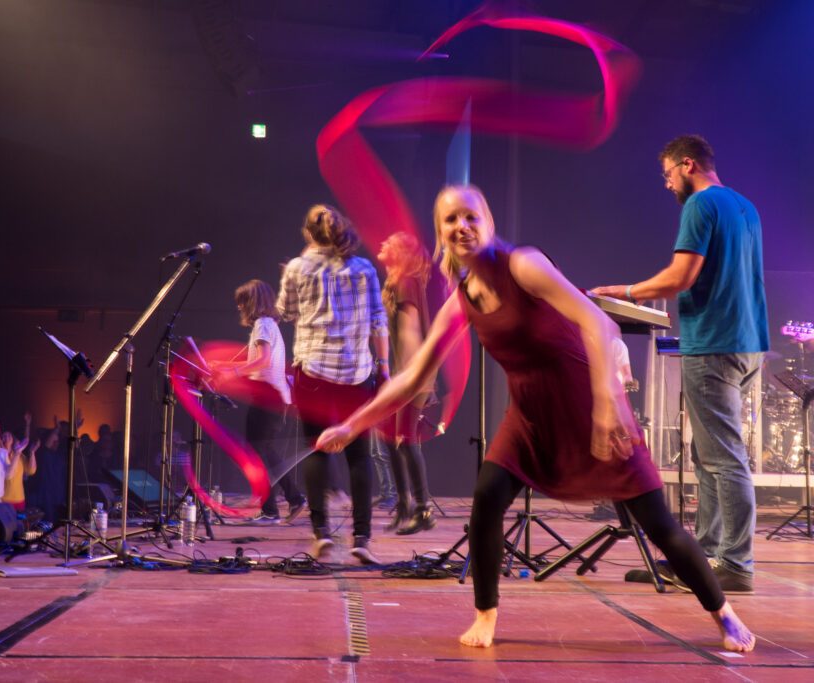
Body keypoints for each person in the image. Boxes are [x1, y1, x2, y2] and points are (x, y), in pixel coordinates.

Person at [316, 185, 755, 652]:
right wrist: (351, 425)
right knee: (486, 499)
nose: (461, 227)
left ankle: (724, 614)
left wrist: (608, 406)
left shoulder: (524, 265)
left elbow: (599, 323)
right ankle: (485, 613)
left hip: (591, 408)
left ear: (488, 221)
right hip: (528, 420)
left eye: (470, 217)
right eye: (450, 221)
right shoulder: (464, 298)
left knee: (659, 525)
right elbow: (410, 378)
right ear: (441, 234)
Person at [592, 135, 768, 594]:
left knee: (724, 458)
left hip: (713, 343)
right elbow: (720, 276)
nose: (668, 184)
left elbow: (681, 274)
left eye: (668, 174)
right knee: (708, 456)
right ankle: (706, 556)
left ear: (687, 165)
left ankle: (735, 562)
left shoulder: (700, 206)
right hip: (746, 343)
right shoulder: (745, 206)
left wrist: (624, 292)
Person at [276, 204, 390, 563]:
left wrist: (299, 272)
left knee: (318, 450)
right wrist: (383, 366)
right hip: (356, 374)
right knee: (358, 455)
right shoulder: (364, 268)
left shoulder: (298, 267)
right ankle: (361, 538)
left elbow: (286, 312)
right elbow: (378, 321)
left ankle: (322, 533)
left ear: (309, 234)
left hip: (313, 373)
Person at [213, 279, 305, 525]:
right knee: (264, 452)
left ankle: (273, 509)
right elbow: (256, 362)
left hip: (268, 396)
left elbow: (262, 361)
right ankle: (292, 499)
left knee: (258, 453)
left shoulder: (263, 325)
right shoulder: (267, 325)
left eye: (242, 302)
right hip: (270, 395)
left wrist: (231, 373)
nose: (239, 308)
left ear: (251, 302)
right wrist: (225, 366)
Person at [377, 231, 437, 535]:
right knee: (391, 439)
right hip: (405, 372)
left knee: (405, 439)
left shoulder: (406, 283)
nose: (383, 243)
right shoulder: (397, 283)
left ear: (401, 252)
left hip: (412, 373)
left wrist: (405, 379)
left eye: (390, 242)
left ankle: (423, 509)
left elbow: (409, 333)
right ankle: (403, 505)